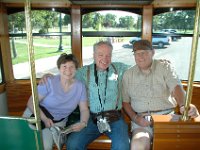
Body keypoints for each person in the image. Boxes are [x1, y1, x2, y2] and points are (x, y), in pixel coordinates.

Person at [40, 41, 130, 150]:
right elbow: (66, 74)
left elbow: (138, 67)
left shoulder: (119, 69)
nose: (105, 59)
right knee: (73, 144)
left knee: (122, 146)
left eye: (108, 55)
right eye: (100, 55)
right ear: (93, 55)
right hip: (92, 119)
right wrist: (49, 76)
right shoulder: (84, 72)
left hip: (115, 118)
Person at [122, 39, 200, 150]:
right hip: (142, 121)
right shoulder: (128, 74)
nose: (140, 56)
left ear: (153, 52)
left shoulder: (165, 68)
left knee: (181, 142)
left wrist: (183, 105)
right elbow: (125, 102)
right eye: (137, 53)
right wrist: (135, 118)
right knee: (137, 145)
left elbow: (176, 87)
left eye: (144, 52)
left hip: (167, 118)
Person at [23, 53, 89, 150]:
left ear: (76, 69)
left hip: (57, 123)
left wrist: (83, 123)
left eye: (72, 67)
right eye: (64, 66)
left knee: (46, 147)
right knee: (34, 145)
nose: (68, 70)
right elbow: (31, 102)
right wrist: (45, 119)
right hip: (36, 115)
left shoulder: (80, 87)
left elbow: (84, 109)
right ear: (59, 68)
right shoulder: (49, 81)